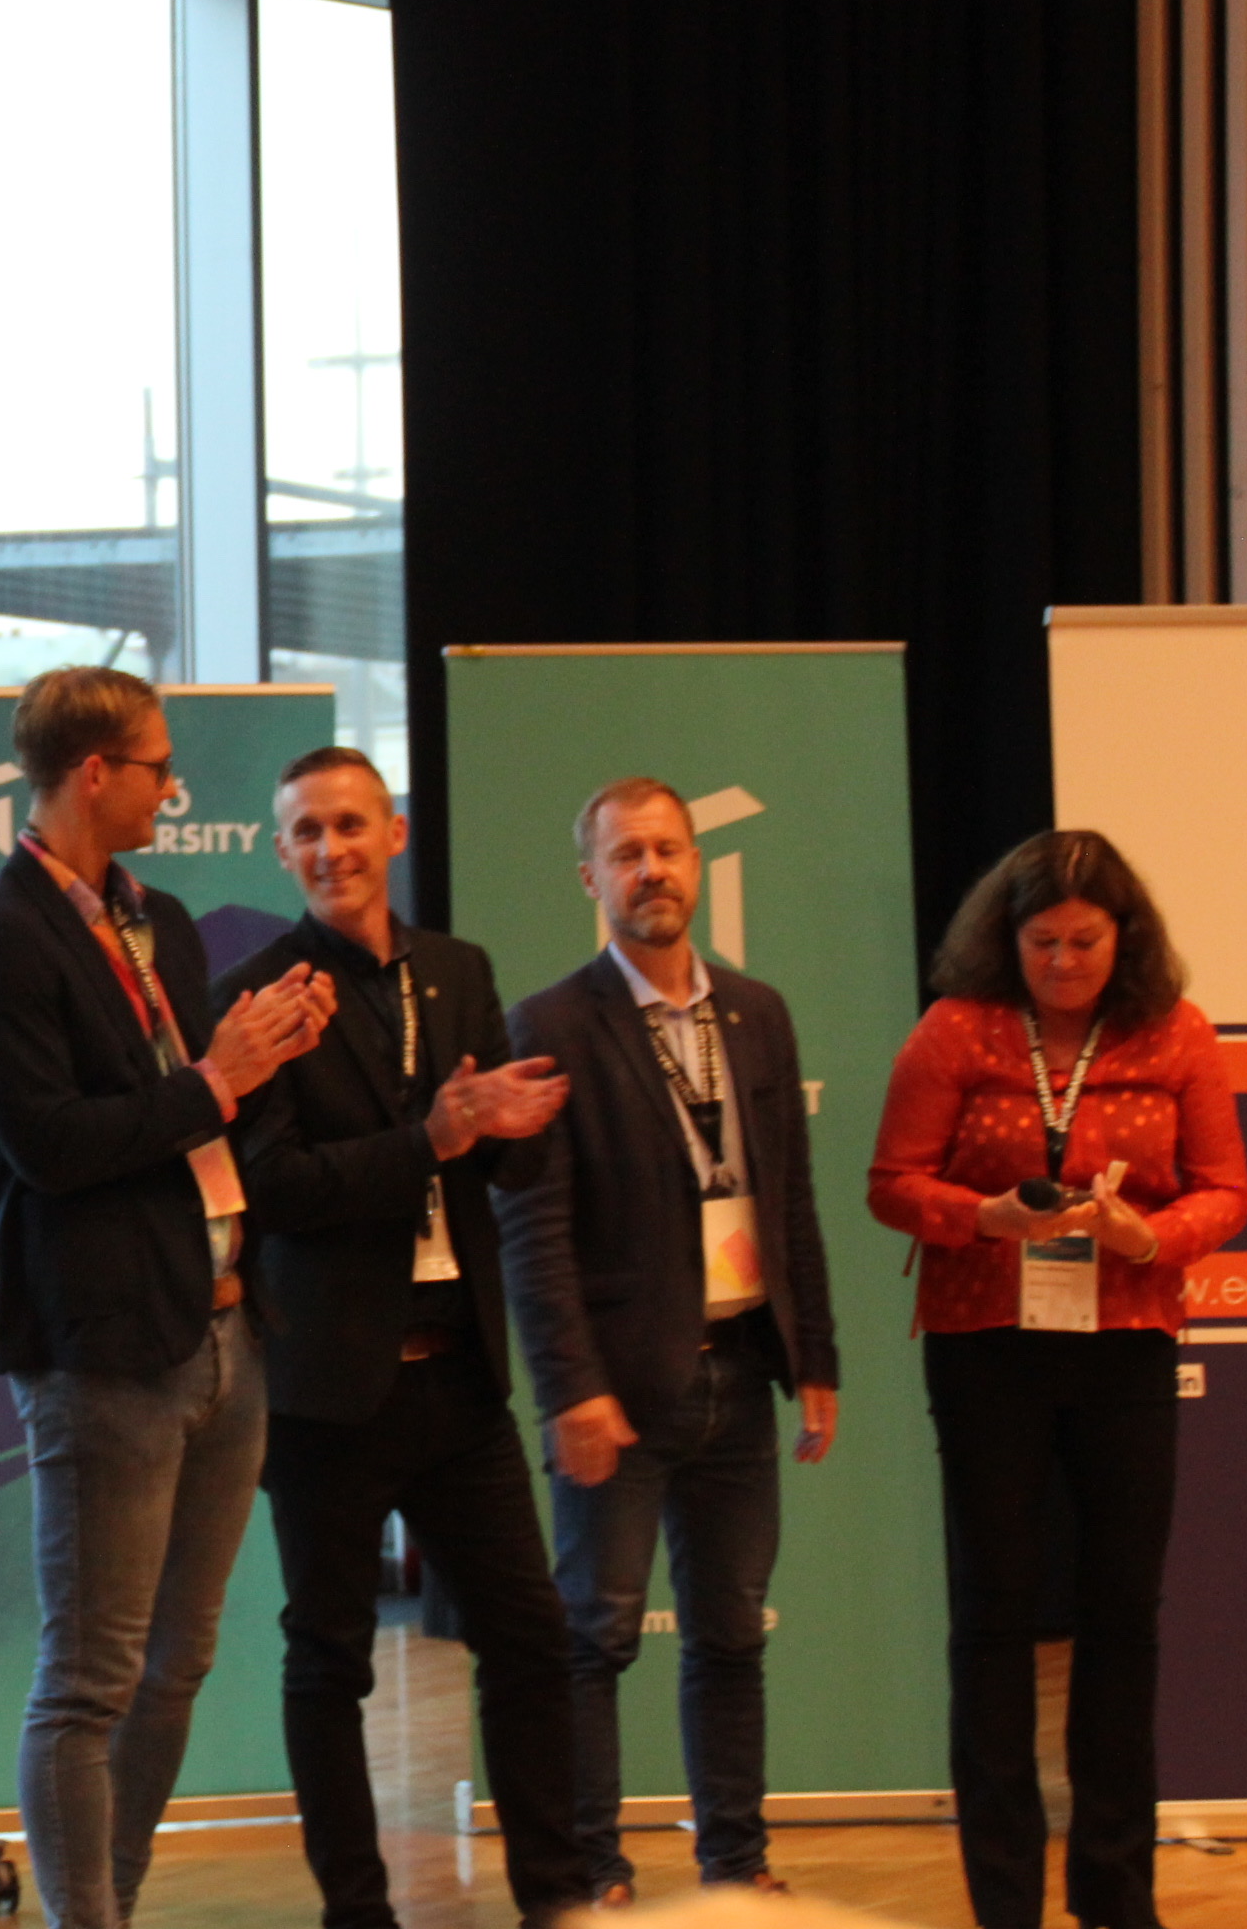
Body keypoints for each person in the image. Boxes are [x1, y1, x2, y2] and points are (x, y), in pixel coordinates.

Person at [0, 667, 333, 1929]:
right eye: (158, 766)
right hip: (106, 1347)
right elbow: (52, 1146)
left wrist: (268, 1052)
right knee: (90, 1680)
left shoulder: (156, 916)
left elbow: (193, 1111)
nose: (174, 787)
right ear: (95, 773)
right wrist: (218, 1078)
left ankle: (113, 1897)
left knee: (178, 1665)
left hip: (222, 1323)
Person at [212, 743, 591, 1929]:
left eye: (350, 824)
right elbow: (275, 1190)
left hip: (461, 1378)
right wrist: (433, 1137)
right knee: (330, 1659)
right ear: (282, 852)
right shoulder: (260, 995)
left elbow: (502, 1164)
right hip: (328, 1388)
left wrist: (513, 1126)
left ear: (395, 834)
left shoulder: (459, 971)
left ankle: (557, 1901)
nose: (332, 849)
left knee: (531, 1640)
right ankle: (358, 1912)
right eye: (307, 831)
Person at [868, 830, 1247, 1929]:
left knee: (1122, 1612)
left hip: (1127, 1341)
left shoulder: (1175, 1031)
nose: (1064, 963)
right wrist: (978, 1215)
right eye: (1043, 942)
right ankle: (1004, 1900)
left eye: (1085, 942)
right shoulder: (957, 1029)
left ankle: (1116, 1892)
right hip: (986, 1343)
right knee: (993, 1612)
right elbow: (892, 1183)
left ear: (1124, 940)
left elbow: (1228, 1189)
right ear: (1008, 937)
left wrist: (1150, 1237)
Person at [496, 777, 843, 1908]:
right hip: (620, 1393)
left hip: (742, 1370)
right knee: (595, 1637)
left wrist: (817, 1361)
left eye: (668, 849)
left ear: (696, 864)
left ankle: (734, 1863)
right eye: (626, 855)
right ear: (590, 880)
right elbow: (532, 1232)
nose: (652, 870)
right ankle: (592, 1872)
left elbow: (789, 1202)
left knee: (732, 1635)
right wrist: (570, 1390)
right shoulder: (551, 1026)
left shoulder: (759, 1012)